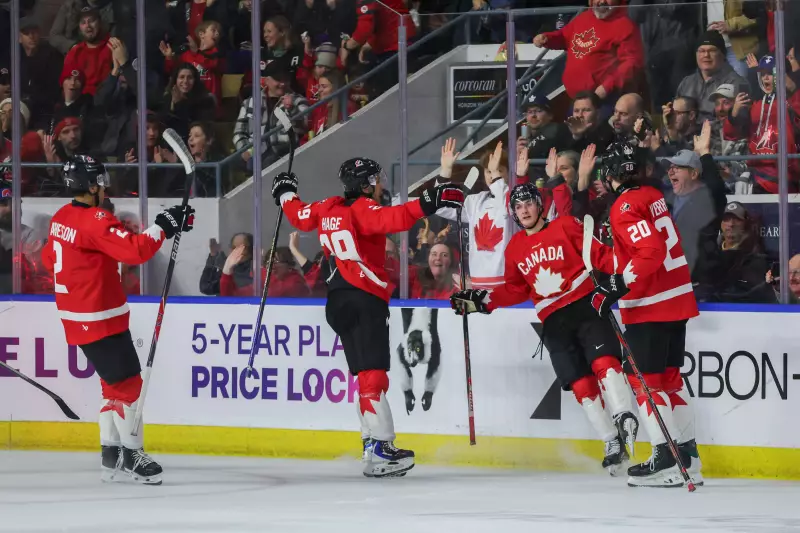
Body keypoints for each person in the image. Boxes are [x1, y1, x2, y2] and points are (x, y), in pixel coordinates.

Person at [271, 158, 464, 477]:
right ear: (364, 183)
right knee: (374, 375)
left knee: (364, 376)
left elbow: (298, 214)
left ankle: (370, 444)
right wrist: (433, 198)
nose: (381, 185)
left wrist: (285, 193)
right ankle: (382, 448)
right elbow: (399, 217)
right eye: (377, 179)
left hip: (337, 301)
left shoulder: (327, 208)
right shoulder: (363, 209)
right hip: (365, 299)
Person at [450, 182, 639, 476]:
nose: (524, 210)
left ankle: (624, 415)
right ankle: (611, 441)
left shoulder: (565, 226)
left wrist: (624, 271)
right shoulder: (515, 248)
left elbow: (601, 257)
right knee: (580, 384)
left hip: (586, 305)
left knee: (606, 363)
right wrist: (484, 302)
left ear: (539, 205)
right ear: (513, 212)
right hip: (553, 320)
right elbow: (516, 290)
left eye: (528, 204)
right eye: (518, 206)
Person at [40, 155, 195, 485]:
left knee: (112, 387)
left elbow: (47, 257)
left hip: (81, 317)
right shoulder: (95, 219)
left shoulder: (60, 218)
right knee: (129, 387)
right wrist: (164, 225)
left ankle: (110, 454)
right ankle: (132, 456)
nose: (105, 187)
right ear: (92, 185)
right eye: (100, 181)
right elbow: (136, 250)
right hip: (98, 317)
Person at [588, 141, 702, 488]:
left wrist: (617, 286)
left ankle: (665, 458)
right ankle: (688, 456)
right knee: (669, 380)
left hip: (651, 305)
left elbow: (650, 251)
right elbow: (647, 247)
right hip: (677, 299)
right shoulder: (651, 195)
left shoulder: (623, 206)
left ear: (610, 175)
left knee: (644, 383)